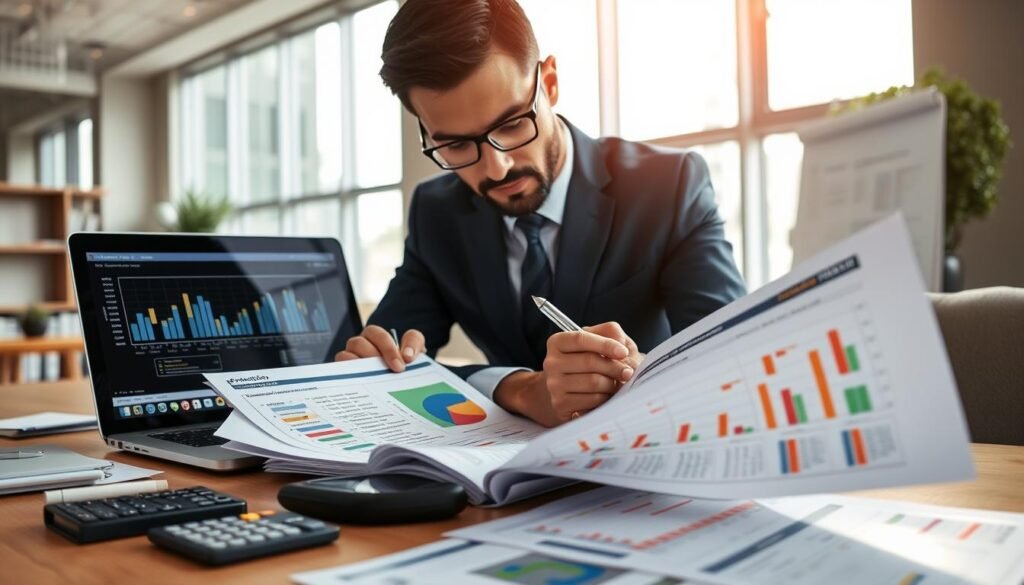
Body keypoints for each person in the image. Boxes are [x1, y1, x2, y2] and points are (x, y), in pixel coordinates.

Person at [336, 0, 746, 427]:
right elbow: (387, 363)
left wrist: (635, 371)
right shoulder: (437, 212)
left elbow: (734, 356)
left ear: (549, 83)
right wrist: (517, 388)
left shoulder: (668, 186)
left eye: (512, 124)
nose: (498, 168)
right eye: (456, 146)